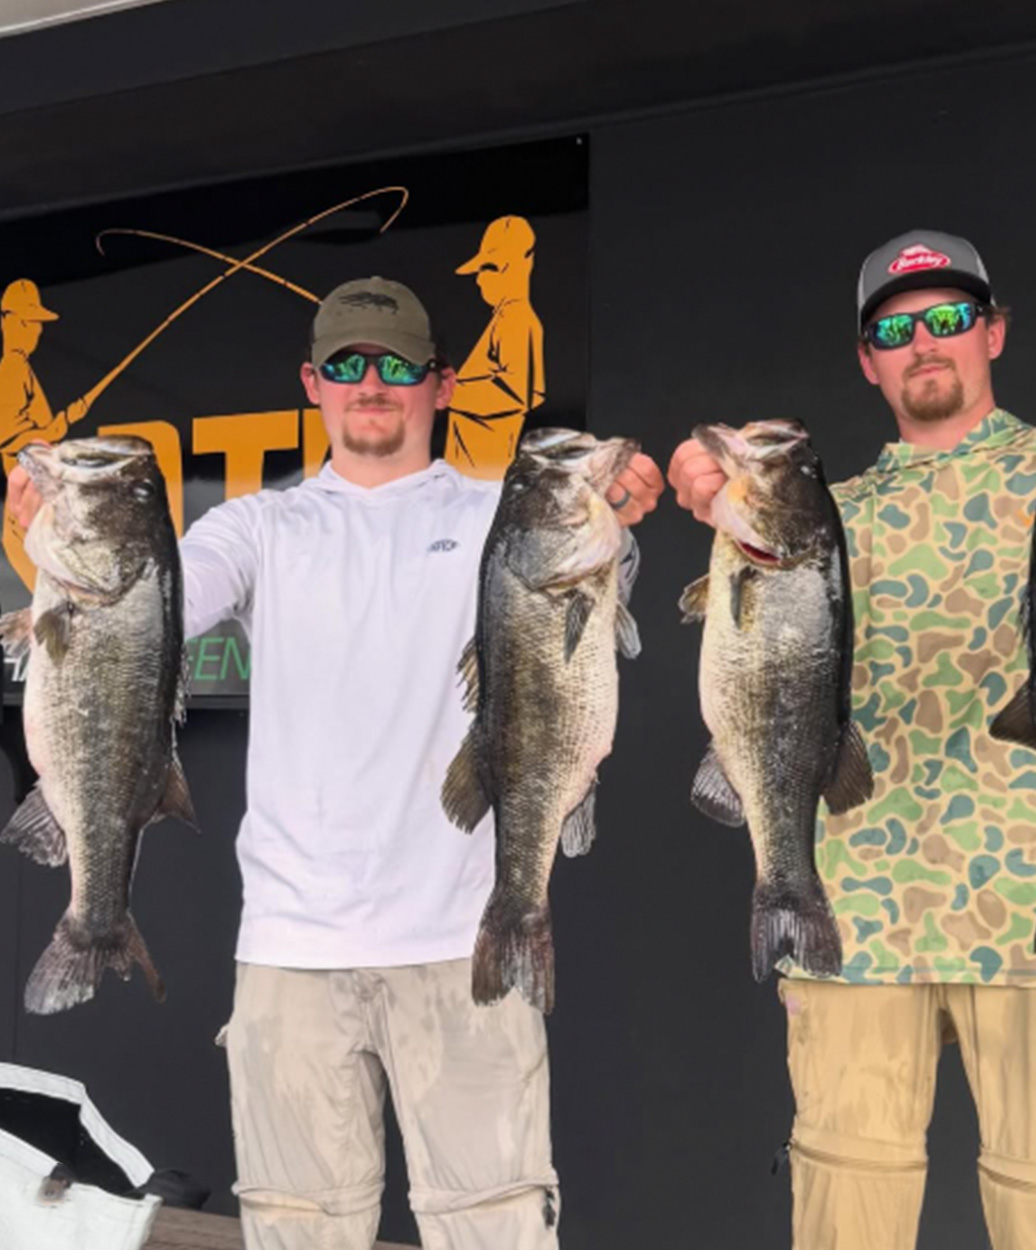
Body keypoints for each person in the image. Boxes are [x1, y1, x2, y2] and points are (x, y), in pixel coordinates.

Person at [8, 275, 664, 1250]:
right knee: (297, 1235)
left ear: (438, 385)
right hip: (289, 952)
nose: (372, 383)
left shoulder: (504, 515)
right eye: (349, 364)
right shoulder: (257, 527)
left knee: (497, 1232)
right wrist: (44, 542)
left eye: (396, 364)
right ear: (311, 383)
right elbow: (146, 615)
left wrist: (622, 513)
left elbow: (583, 598)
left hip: (463, 943)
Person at [667, 230, 1036, 1250]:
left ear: (993, 332)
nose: (922, 340)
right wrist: (710, 499)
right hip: (853, 917)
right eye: (894, 326)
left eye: (946, 317)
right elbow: (739, 643)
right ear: (866, 360)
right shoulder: (817, 517)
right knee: (845, 1222)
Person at [0, 279, 94, 588]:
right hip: (26, 519)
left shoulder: (22, 367)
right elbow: (10, 435)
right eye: (29, 322)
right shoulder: (12, 367)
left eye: (38, 323)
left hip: (40, 522)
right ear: (7, 321)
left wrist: (65, 420)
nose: (37, 331)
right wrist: (60, 423)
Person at [445, 216, 546, 478]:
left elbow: (515, 393)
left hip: (485, 477)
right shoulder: (503, 319)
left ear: (523, 264)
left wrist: (447, 392)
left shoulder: (516, 319)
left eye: (490, 268)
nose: (480, 280)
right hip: (470, 478)